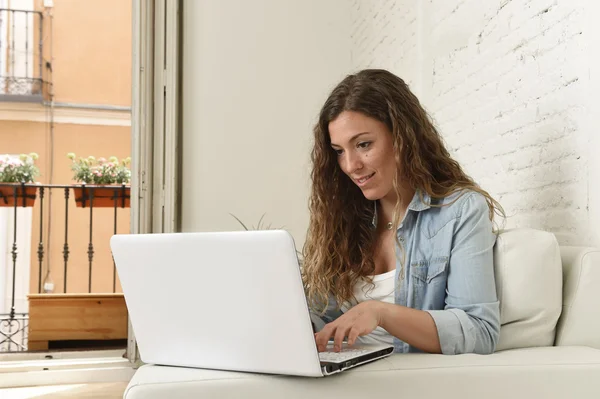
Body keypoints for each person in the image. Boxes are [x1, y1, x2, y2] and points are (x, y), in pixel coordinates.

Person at [302, 69, 505, 355]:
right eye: (339, 151)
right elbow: (325, 318)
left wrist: (381, 313)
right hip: (343, 377)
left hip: (405, 381)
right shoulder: (345, 217)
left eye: (363, 145)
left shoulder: (460, 211)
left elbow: (479, 331)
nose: (350, 165)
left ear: (403, 137)